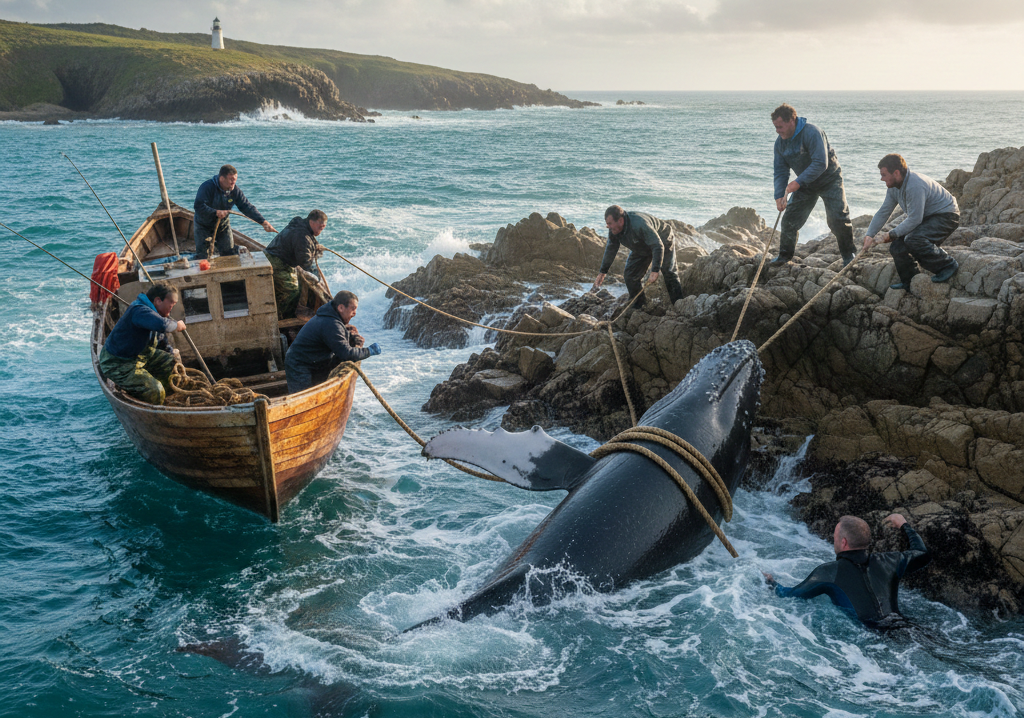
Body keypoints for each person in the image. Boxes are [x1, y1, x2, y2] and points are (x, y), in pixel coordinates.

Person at [763, 514, 930, 629]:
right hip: (905, 627)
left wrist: (771, 582)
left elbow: (790, 596)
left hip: (872, 635)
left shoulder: (828, 572)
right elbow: (922, 554)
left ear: (843, 543)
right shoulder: (890, 561)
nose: (833, 540)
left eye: (834, 537)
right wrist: (903, 524)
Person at [771, 103, 856, 267]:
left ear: (792, 120)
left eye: (780, 126)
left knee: (838, 218)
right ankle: (784, 256)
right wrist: (779, 195)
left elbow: (820, 163)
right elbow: (780, 171)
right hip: (806, 185)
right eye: (775, 127)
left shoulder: (812, 132)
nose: (777, 131)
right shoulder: (780, 144)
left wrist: (796, 183)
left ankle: (849, 255)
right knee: (789, 220)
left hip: (829, 179)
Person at [863, 154, 960, 290]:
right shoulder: (893, 188)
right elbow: (884, 211)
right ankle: (910, 281)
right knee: (897, 247)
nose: (881, 179)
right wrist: (870, 235)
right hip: (927, 216)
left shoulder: (915, 185)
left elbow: (915, 219)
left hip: (947, 215)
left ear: (896, 173)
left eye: (884, 175)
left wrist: (891, 234)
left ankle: (947, 265)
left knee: (913, 239)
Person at [98, 283, 187, 405]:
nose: (172, 306)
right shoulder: (139, 311)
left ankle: (168, 396)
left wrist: (170, 355)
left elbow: (161, 341)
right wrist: (177, 325)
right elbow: (162, 325)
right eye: (171, 302)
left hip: (140, 356)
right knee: (155, 390)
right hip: (118, 363)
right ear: (157, 301)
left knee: (170, 361)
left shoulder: (155, 314)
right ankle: (155, 403)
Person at [285, 290, 382, 393]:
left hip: (314, 361)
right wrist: (369, 351)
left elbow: (336, 336)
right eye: (353, 309)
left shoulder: (330, 317)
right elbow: (346, 354)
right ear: (340, 308)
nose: (355, 313)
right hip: (299, 365)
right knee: (303, 399)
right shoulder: (331, 323)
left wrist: (350, 337)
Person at [593, 205, 685, 309]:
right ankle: (640, 304)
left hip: (662, 240)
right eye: (607, 223)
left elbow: (657, 246)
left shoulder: (639, 224)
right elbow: (611, 248)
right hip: (641, 245)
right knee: (630, 275)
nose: (607, 227)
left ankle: (679, 306)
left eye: (609, 223)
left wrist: (655, 270)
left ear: (620, 221)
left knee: (668, 272)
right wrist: (602, 272)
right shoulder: (614, 230)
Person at [193, 164, 277, 259]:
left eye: (235, 179)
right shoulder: (207, 187)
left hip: (223, 225)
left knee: (229, 253)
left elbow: (246, 206)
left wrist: (263, 222)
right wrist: (215, 212)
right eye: (231, 180)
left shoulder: (235, 191)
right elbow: (198, 206)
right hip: (203, 225)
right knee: (203, 256)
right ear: (222, 179)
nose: (234, 182)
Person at [264, 210, 328, 319]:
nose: (321, 231)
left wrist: (315, 246)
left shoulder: (299, 224)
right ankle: (285, 317)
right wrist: (318, 279)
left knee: (298, 283)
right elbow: (306, 263)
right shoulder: (303, 237)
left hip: (271, 255)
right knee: (292, 291)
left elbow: (307, 243)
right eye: (320, 227)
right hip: (278, 262)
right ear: (312, 222)